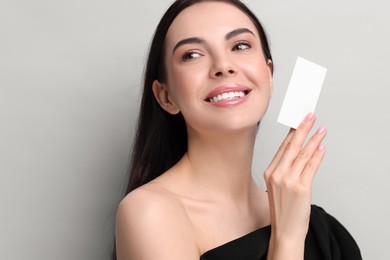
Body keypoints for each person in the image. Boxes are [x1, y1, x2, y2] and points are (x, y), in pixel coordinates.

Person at [114, 0, 362, 259]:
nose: (223, 65)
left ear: (269, 75)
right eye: (192, 55)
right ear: (166, 97)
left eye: (240, 46)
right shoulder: (149, 213)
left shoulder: (326, 233)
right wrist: (286, 238)